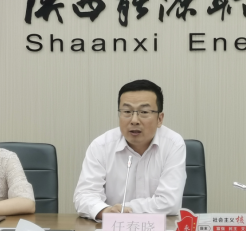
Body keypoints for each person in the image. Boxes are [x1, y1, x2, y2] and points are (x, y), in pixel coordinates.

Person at [74, 79, 186, 220]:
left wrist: (121, 210)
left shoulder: (173, 144)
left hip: (159, 228)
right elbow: (84, 195)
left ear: (160, 119)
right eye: (127, 111)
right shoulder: (101, 146)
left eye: (144, 112)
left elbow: (169, 203)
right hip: (113, 228)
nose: (134, 120)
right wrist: (104, 211)